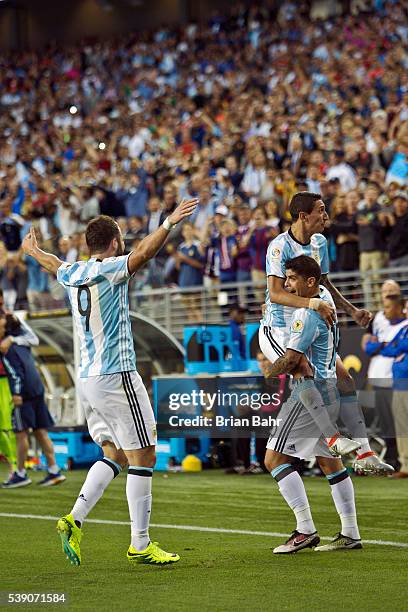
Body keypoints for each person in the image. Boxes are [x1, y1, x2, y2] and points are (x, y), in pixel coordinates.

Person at [21, 198, 198, 566]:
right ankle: (140, 542)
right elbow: (144, 254)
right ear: (115, 243)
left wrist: (34, 250)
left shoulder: (74, 273)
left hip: (87, 378)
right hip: (116, 374)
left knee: (114, 453)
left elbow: (54, 264)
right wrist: (168, 223)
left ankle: (74, 519)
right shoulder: (113, 268)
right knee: (145, 453)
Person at [260, 191, 393, 475]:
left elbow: (325, 285)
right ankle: (333, 438)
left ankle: (366, 453)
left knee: (344, 376)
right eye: (321, 211)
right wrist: (312, 302)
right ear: (303, 216)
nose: (326, 217)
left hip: (308, 320)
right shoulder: (278, 247)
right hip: (280, 327)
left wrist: (351, 310)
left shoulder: (320, 242)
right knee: (301, 366)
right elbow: (274, 293)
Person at [263, 256, 362, 553]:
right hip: (328, 389)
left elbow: (293, 360)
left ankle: (304, 529)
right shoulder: (325, 304)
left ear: (309, 282)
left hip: (309, 394)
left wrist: (269, 369)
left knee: (274, 460)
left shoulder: (305, 315)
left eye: (292, 278)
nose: (287, 284)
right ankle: (351, 532)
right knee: (330, 461)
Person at [1, 313, 66, 488]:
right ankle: (54, 470)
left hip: (24, 396)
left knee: (21, 434)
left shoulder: (8, 351)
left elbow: (16, 374)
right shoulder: (23, 344)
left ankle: (21, 474)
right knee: (40, 432)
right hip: (37, 390)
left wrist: (16, 394)